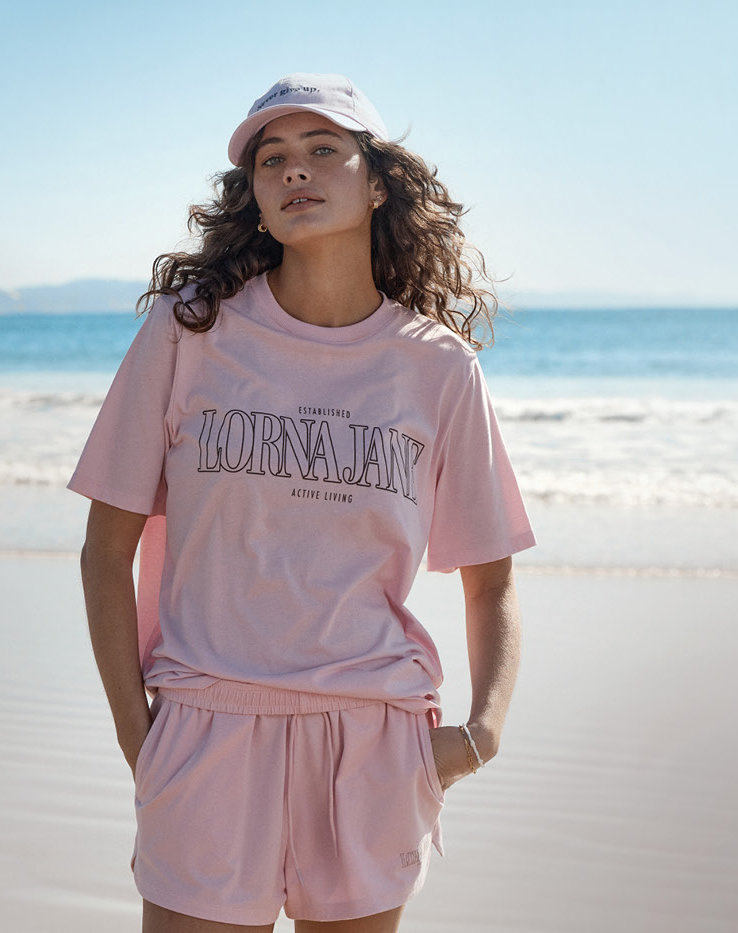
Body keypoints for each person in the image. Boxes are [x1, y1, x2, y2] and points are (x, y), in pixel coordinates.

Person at [71, 74, 530, 932]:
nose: (294, 172)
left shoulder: (437, 368)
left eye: (324, 150)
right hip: (204, 729)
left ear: (379, 180)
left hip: (374, 743)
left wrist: (481, 733)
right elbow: (105, 549)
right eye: (271, 158)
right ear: (252, 194)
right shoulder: (188, 330)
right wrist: (144, 742)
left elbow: (490, 578)